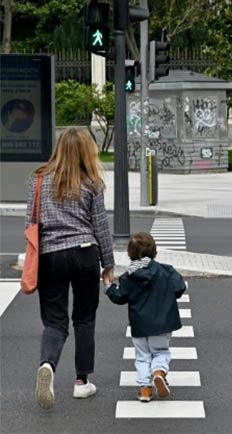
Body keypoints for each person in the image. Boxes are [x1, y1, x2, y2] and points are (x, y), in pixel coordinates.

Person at [27, 127, 114, 410]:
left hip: (51, 255)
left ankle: (48, 365)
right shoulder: (92, 183)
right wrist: (108, 265)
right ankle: (81, 382)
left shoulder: (39, 180)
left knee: (54, 321)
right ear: (87, 151)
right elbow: (101, 226)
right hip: (85, 252)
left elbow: (31, 221)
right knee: (84, 318)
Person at [105, 232, 188, 402]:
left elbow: (119, 297)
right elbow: (179, 287)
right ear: (154, 251)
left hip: (139, 325)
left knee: (142, 356)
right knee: (160, 351)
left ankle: (145, 390)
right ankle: (158, 372)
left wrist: (108, 286)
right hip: (163, 323)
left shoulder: (128, 277)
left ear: (130, 254)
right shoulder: (166, 270)